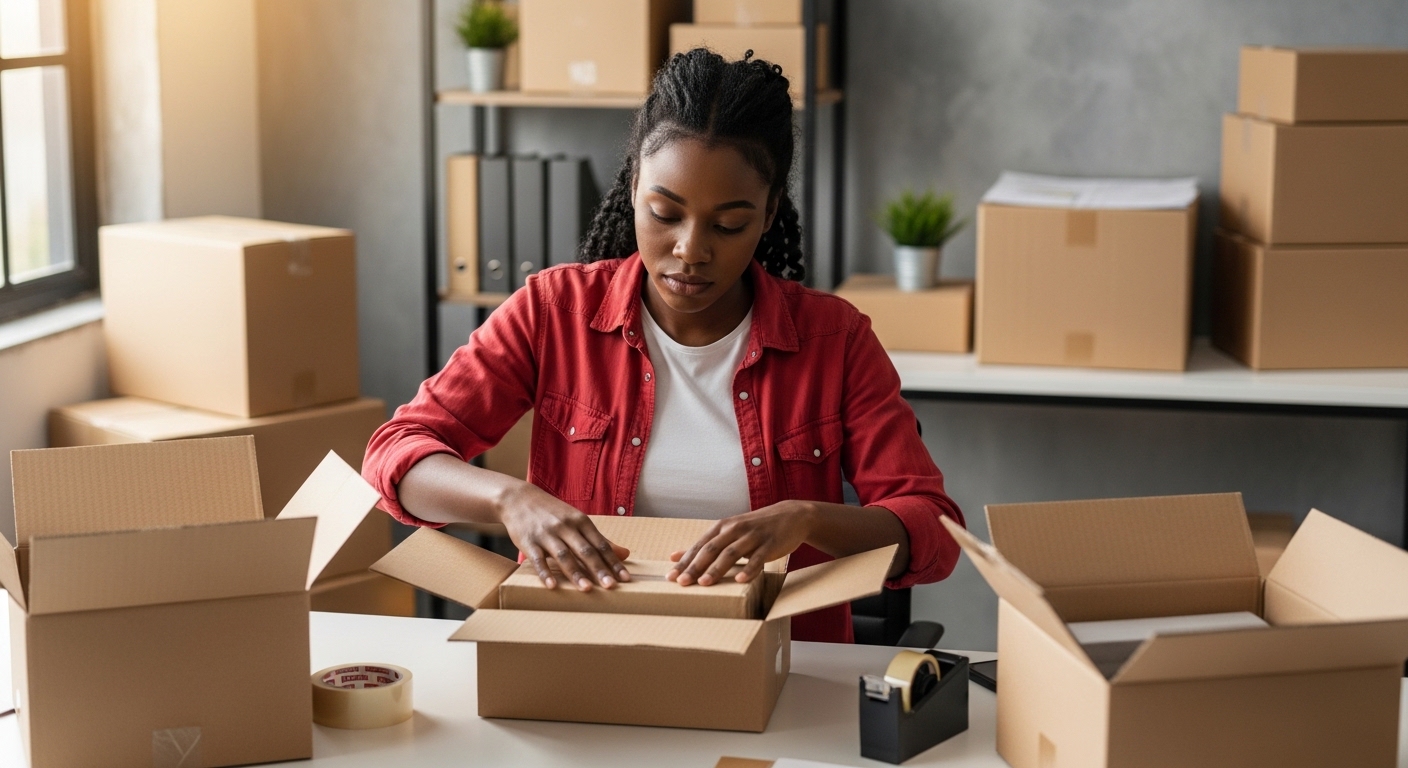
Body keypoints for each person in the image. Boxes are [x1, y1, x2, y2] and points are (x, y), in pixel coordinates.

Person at [363, 48, 965, 643]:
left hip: (781, 670)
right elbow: (396, 456)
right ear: (632, 190)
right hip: (579, 655)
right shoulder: (554, 312)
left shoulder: (835, 341)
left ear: (768, 212)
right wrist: (510, 500)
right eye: (664, 213)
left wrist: (808, 518)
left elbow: (934, 532)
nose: (691, 250)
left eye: (728, 225)